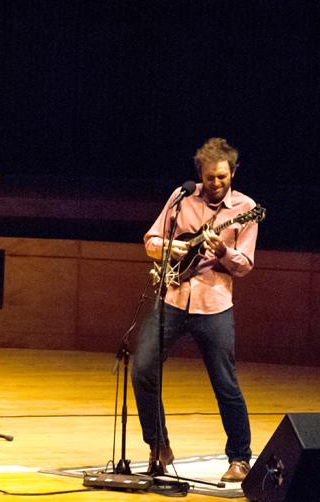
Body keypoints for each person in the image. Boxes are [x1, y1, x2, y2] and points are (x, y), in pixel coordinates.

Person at [131, 138, 258, 482]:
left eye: (222, 177)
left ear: (233, 172)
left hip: (214, 304)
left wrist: (221, 253)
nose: (215, 183)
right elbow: (151, 241)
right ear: (199, 174)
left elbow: (244, 265)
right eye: (209, 177)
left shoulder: (246, 209)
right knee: (142, 369)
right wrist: (174, 249)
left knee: (224, 382)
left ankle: (240, 457)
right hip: (172, 298)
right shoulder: (181, 197)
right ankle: (159, 446)